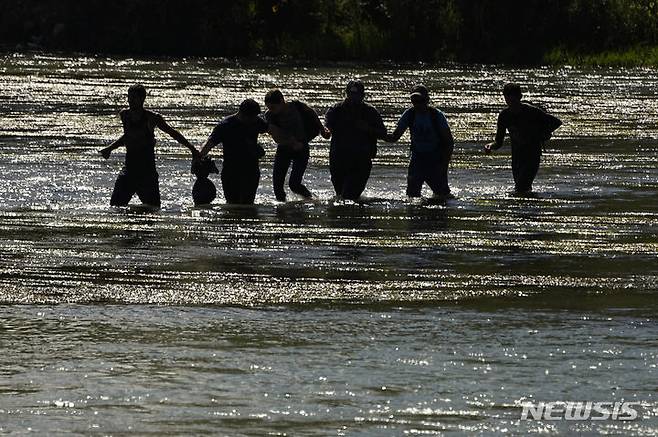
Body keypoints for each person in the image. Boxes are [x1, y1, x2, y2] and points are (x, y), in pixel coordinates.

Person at [99, 84, 198, 208]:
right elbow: (128, 136)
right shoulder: (125, 115)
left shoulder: (152, 118)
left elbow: (172, 133)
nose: (130, 100)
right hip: (129, 170)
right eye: (129, 97)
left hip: (147, 173)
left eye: (134, 98)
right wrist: (110, 148)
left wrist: (192, 148)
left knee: (153, 209)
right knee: (115, 207)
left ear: (142, 99)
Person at [484, 83, 562, 194]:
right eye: (508, 100)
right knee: (522, 188)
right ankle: (531, 206)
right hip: (517, 157)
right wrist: (490, 146)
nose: (511, 103)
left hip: (532, 155)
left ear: (519, 97)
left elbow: (556, 122)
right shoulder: (504, 116)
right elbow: (499, 142)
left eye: (513, 100)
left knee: (521, 187)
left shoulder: (532, 111)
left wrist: (542, 135)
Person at [385, 85, 455, 199]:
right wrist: (373, 131)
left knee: (442, 195)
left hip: (436, 158)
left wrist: (444, 164)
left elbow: (449, 142)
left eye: (420, 101)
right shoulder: (409, 114)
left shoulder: (436, 116)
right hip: (417, 158)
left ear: (427, 100)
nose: (417, 104)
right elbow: (394, 137)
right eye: (414, 101)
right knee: (412, 196)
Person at [197, 99, 268, 205]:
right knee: (232, 204)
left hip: (251, 170)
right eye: (252, 118)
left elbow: (272, 130)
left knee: (248, 205)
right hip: (231, 172)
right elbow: (209, 144)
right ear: (243, 114)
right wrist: (198, 158)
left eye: (255, 117)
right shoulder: (225, 125)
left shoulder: (256, 121)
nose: (254, 120)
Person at [325, 80, 386, 201]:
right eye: (351, 94)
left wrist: (367, 128)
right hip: (339, 160)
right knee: (340, 197)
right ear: (346, 94)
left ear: (363, 96)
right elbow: (327, 128)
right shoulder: (335, 110)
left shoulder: (370, 112)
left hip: (361, 161)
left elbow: (383, 133)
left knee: (349, 197)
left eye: (357, 95)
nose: (353, 98)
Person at [264, 89, 330, 202]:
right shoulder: (270, 115)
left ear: (282, 101)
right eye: (269, 107)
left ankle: (312, 200)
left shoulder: (296, 105)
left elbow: (312, 113)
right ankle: (281, 213)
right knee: (277, 187)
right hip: (284, 148)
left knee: (294, 184)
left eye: (273, 107)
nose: (271, 110)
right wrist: (292, 143)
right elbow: (276, 137)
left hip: (302, 148)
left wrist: (322, 129)